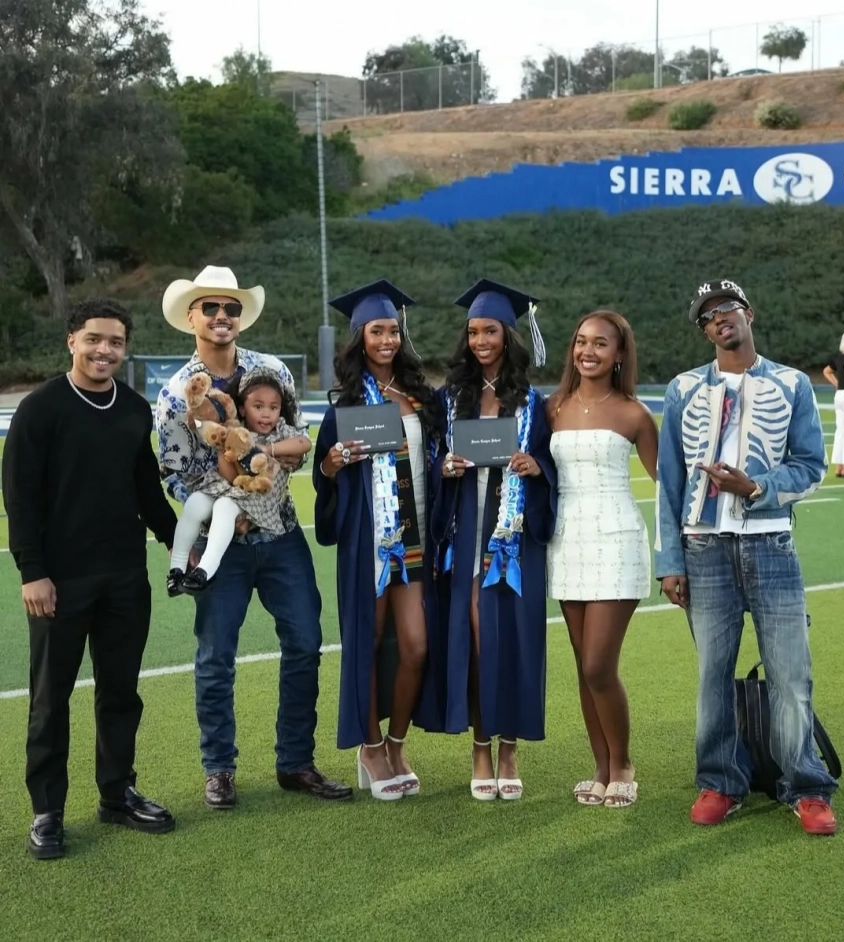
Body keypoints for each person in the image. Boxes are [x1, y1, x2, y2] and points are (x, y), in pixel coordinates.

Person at [156, 265, 351, 809]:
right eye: (211, 307)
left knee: (305, 644)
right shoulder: (176, 392)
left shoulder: (273, 372)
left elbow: (298, 440)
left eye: (231, 307)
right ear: (191, 316)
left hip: (281, 530)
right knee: (216, 656)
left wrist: (265, 462)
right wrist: (225, 505)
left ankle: (295, 762)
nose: (222, 316)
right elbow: (172, 472)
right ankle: (219, 769)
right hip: (223, 546)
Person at [656, 279, 838, 836]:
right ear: (705, 330)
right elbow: (669, 481)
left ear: (748, 314)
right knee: (713, 675)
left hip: (771, 545)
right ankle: (720, 781)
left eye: (727, 308)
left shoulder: (792, 384)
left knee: (791, 674)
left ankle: (805, 786)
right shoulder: (684, 388)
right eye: (707, 316)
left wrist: (755, 487)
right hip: (703, 548)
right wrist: (670, 560)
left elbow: (811, 466)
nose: (719, 319)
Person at [3, 299, 178, 860]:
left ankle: (116, 794)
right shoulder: (40, 409)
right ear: (71, 341)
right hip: (59, 581)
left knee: (120, 693)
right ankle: (47, 810)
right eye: (94, 339)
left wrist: (178, 540)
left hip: (125, 576)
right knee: (50, 699)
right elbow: (20, 498)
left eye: (115, 342)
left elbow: (146, 487)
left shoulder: (133, 408)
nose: (105, 350)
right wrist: (33, 572)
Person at [313, 280, 443, 800]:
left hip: (415, 536)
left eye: (393, 330)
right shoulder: (345, 406)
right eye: (376, 331)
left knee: (416, 645)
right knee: (367, 641)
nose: (387, 340)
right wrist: (331, 464)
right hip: (369, 540)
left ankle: (396, 742)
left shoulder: (422, 399)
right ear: (359, 338)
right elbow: (325, 473)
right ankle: (369, 748)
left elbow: (438, 457)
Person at [434, 279, 556, 801]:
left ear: (508, 335)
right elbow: (429, 461)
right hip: (465, 529)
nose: (481, 340)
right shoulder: (449, 399)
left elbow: (551, 463)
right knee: (479, 638)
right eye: (473, 332)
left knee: (513, 641)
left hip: (514, 537)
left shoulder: (533, 403)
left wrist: (536, 466)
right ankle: (481, 746)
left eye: (490, 331)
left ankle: (509, 749)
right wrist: (445, 467)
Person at [546, 311, 657, 808]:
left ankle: (623, 763)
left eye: (600, 344)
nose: (587, 351)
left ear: (619, 354)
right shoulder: (552, 408)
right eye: (581, 341)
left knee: (598, 664)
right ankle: (600, 767)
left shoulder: (635, 414)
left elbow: (668, 486)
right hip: (567, 542)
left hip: (616, 542)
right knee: (581, 663)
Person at [167, 367, 312, 595]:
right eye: (258, 407)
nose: (266, 414)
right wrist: (223, 447)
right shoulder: (236, 431)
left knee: (224, 506)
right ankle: (176, 569)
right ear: (243, 408)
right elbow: (231, 478)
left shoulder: (280, 430)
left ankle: (205, 571)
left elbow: (304, 443)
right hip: (232, 486)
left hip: (259, 497)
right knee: (195, 503)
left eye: (273, 408)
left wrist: (267, 449)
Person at [822, 331, 844, 477]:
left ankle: (838, 467)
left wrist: (837, 384)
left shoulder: (839, 359)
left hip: (839, 395)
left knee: (840, 431)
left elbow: (826, 371)